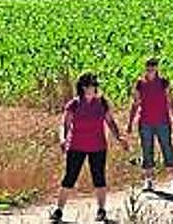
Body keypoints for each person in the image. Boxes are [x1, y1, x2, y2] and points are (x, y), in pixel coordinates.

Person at [51, 72, 127, 223]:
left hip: (98, 146)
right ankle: (58, 211)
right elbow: (64, 124)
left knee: (99, 178)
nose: (91, 88)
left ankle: (101, 210)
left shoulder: (102, 103)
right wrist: (62, 139)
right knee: (69, 178)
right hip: (76, 146)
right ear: (82, 87)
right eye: (88, 85)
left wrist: (119, 137)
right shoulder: (74, 104)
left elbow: (111, 122)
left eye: (93, 85)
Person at [126, 58, 173, 195]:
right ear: (145, 68)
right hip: (145, 122)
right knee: (147, 151)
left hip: (162, 122)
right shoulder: (140, 84)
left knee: (167, 150)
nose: (150, 69)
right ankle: (149, 180)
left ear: (157, 68)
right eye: (148, 67)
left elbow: (171, 102)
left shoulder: (164, 83)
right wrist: (130, 123)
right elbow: (135, 104)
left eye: (153, 67)